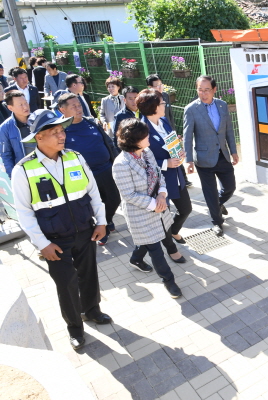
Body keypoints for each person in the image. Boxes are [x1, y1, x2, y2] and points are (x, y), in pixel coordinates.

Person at [12, 109, 112, 350]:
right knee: (66, 284)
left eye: (61, 130)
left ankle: (92, 310)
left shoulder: (75, 157)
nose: (61, 135)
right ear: (38, 137)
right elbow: (24, 212)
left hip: (85, 231)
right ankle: (75, 328)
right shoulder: (23, 170)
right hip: (54, 240)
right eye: (54, 132)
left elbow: (93, 192)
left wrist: (101, 221)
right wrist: (42, 244)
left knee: (89, 275)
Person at [112, 118, 183, 298]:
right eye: (145, 135)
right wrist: (155, 205)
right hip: (140, 212)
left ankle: (136, 259)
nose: (149, 137)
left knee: (160, 234)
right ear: (134, 140)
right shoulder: (121, 164)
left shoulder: (147, 152)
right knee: (155, 248)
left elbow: (159, 176)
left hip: (159, 205)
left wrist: (162, 194)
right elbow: (129, 195)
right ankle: (169, 281)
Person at [57, 93, 119, 246]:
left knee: (114, 199)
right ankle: (101, 228)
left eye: (79, 105)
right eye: (74, 106)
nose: (79, 108)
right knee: (93, 206)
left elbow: (108, 143)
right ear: (62, 110)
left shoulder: (91, 122)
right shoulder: (59, 130)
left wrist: (117, 161)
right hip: (83, 176)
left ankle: (106, 220)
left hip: (106, 169)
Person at [137, 89, 189, 261]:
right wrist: (166, 163)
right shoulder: (141, 129)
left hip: (175, 175)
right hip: (158, 182)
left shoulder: (164, 121)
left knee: (186, 209)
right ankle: (172, 250)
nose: (165, 105)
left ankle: (173, 232)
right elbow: (141, 160)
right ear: (152, 106)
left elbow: (171, 143)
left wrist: (179, 151)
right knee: (163, 217)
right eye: (161, 103)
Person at [183, 76, 238, 236]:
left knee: (230, 186)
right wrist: (188, 161)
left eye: (207, 90)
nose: (203, 93)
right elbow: (187, 137)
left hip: (223, 154)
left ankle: (218, 204)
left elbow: (229, 130)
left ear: (214, 90)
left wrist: (233, 151)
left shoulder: (222, 105)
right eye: (200, 89)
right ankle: (217, 221)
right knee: (210, 192)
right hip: (203, 158)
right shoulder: (191, 109)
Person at [147, 74, 191, 187]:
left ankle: (183, 180)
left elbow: (170, 116)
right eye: (156, 86)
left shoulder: (165, 96)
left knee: (177, 155)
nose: (160, 88)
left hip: (168, 131)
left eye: (160, 85)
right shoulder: (148, 100)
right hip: (158, 138)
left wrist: (174, 133)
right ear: (149, 87)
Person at [0, 92, 34, 177]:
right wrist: (13, 176)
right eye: (20, 105)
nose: (25, 106)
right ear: (10, 108)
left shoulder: (38, 119)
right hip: (24, 173)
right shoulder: (5, 128)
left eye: (26, 102)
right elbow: (6, 155)